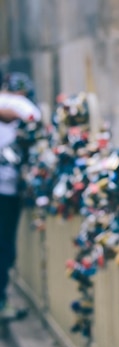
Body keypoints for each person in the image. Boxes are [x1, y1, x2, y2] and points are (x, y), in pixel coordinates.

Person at [0, 72, 41, 317]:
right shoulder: (14, 104)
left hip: (8, 189)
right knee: (3, 247)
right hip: (4, 192)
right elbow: (31, 113)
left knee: (5, 248)